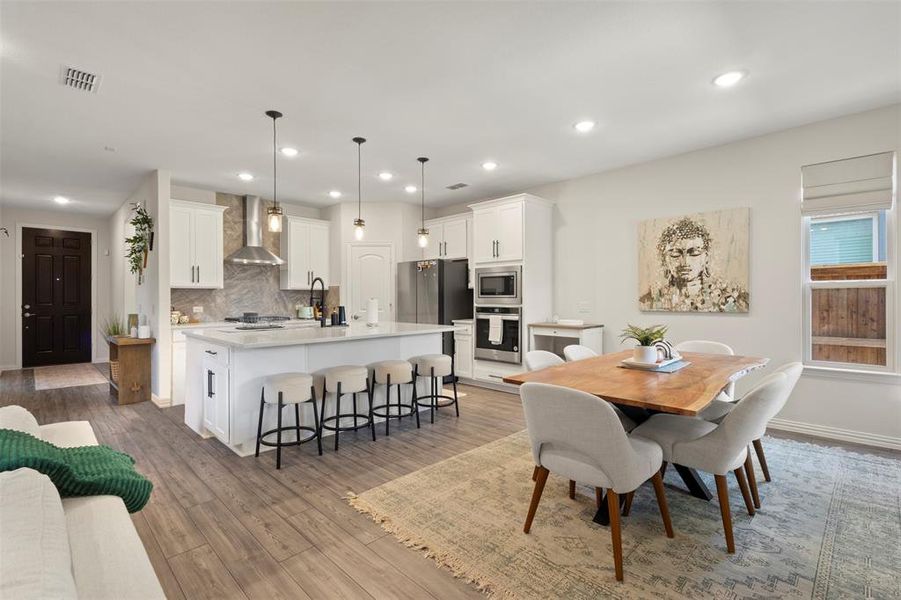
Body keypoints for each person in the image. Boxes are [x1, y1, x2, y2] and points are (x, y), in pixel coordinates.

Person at [640, 217, 748, 312]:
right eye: (675, 254)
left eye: (694, 253)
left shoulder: (731, 298)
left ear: (706, 258)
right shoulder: (649, 301)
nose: (685, 262)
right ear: (664, 260)